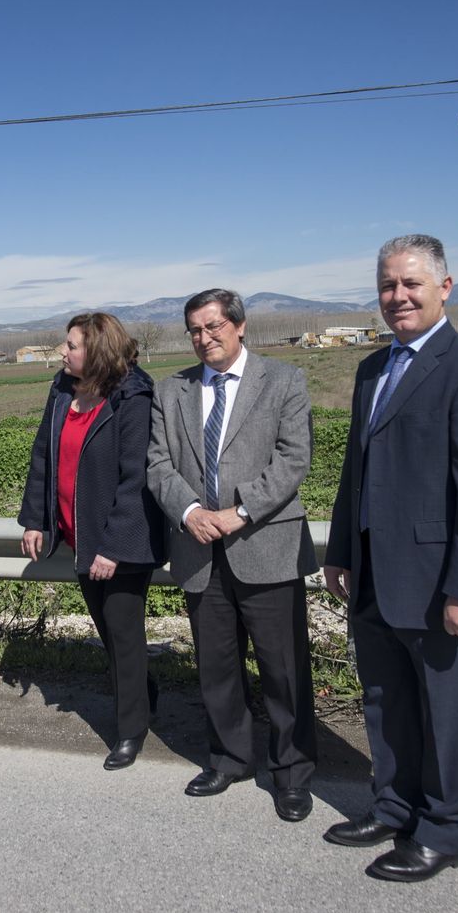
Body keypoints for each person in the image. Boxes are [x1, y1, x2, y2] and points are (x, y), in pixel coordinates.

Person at [323, 234, 458, 884]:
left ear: (444, 288)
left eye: (411, 283)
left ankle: (446, 830)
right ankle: (395, 807)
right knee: (388, 705)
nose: (398, 296)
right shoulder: (371, 370)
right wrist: (342, 552)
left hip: (442, 585)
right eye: (388, 285)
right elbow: (357, 471)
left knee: (450, 716)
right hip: (375, 576)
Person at [147, 289, 318, 822]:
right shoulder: (170, 390)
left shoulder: (283, 380)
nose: (204, 338)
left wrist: (239, 512)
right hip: (199, 548)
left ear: (240, 326)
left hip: (265, 544)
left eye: (214, 326)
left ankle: (291, 773)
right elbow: (158, 463)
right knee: (216, 665)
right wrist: (191, 512)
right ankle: (230, 758)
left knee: (283, 669)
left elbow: (294, 459)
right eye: (195, 330)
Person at [18, 313, 167, 770]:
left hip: (121, 543)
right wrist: (35, 520)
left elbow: (136, 479)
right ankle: (143, 693)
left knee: (122, 633)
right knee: (110, 632)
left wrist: (114, 547)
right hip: (79, 537)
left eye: (72, 345)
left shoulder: (132, 396)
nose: (63, 352)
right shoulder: (63, 390)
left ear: (97, 351)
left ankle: (130, 731)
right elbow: (43, 456)